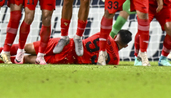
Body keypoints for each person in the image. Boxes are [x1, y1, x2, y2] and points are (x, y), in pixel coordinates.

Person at [0, 30, 132, 65]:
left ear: (116, 36)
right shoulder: (115, 60)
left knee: (27, 47)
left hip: (67, 44)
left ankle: (3, 51)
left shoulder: (105, 36)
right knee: (29, 59)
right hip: (69, 59)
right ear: (126, 45)